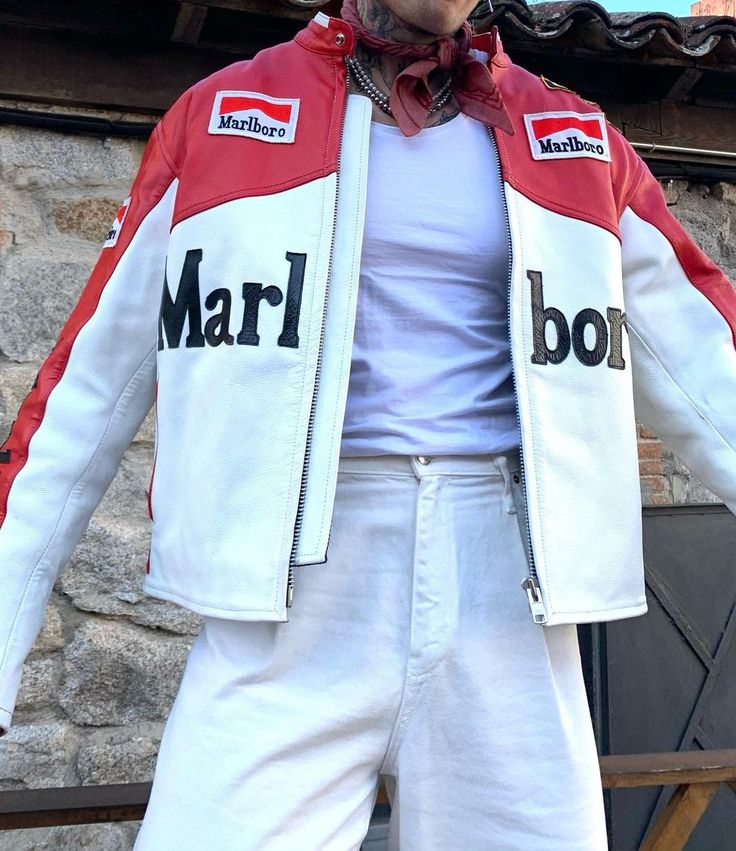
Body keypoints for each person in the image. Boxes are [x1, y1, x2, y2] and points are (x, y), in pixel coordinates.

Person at [0, 0, 734, 847]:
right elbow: (82, 394)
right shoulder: (218, 116)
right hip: (286, 611)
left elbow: (712, 365)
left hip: (508, 601)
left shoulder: (576, 137)